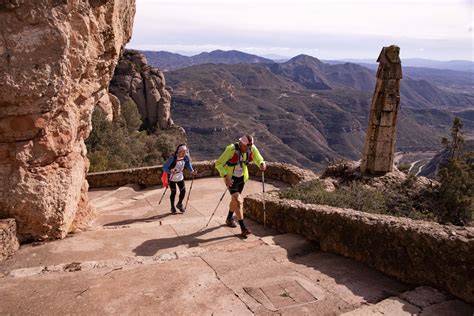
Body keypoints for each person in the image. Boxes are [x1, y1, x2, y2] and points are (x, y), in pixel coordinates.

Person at [215, 134, 266, 237]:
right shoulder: (231, 149)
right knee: (238, 201)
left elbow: (257, 157)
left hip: (242, 178)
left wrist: (261, 163)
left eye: (249, 146)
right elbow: (218, 163)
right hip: (231, 179)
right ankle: (243, 228)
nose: (248, 148)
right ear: (242, 143)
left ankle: (229, 218)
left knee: (234, 200)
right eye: (246, 146)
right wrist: (225, 175)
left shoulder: (251, 147)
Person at [163, 144, 196, 214]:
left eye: (185, 152)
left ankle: (179, 204)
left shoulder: (185, 158)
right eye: (183, 152)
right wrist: (170, 171)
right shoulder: (173, 158)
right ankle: (172, 207)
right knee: (173, 192)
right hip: (172, 178)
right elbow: (164, 167)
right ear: (179, 151)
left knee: (183, 191)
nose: (184, 154)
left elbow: (188, 164)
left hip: (180, 176)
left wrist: (192, 171)